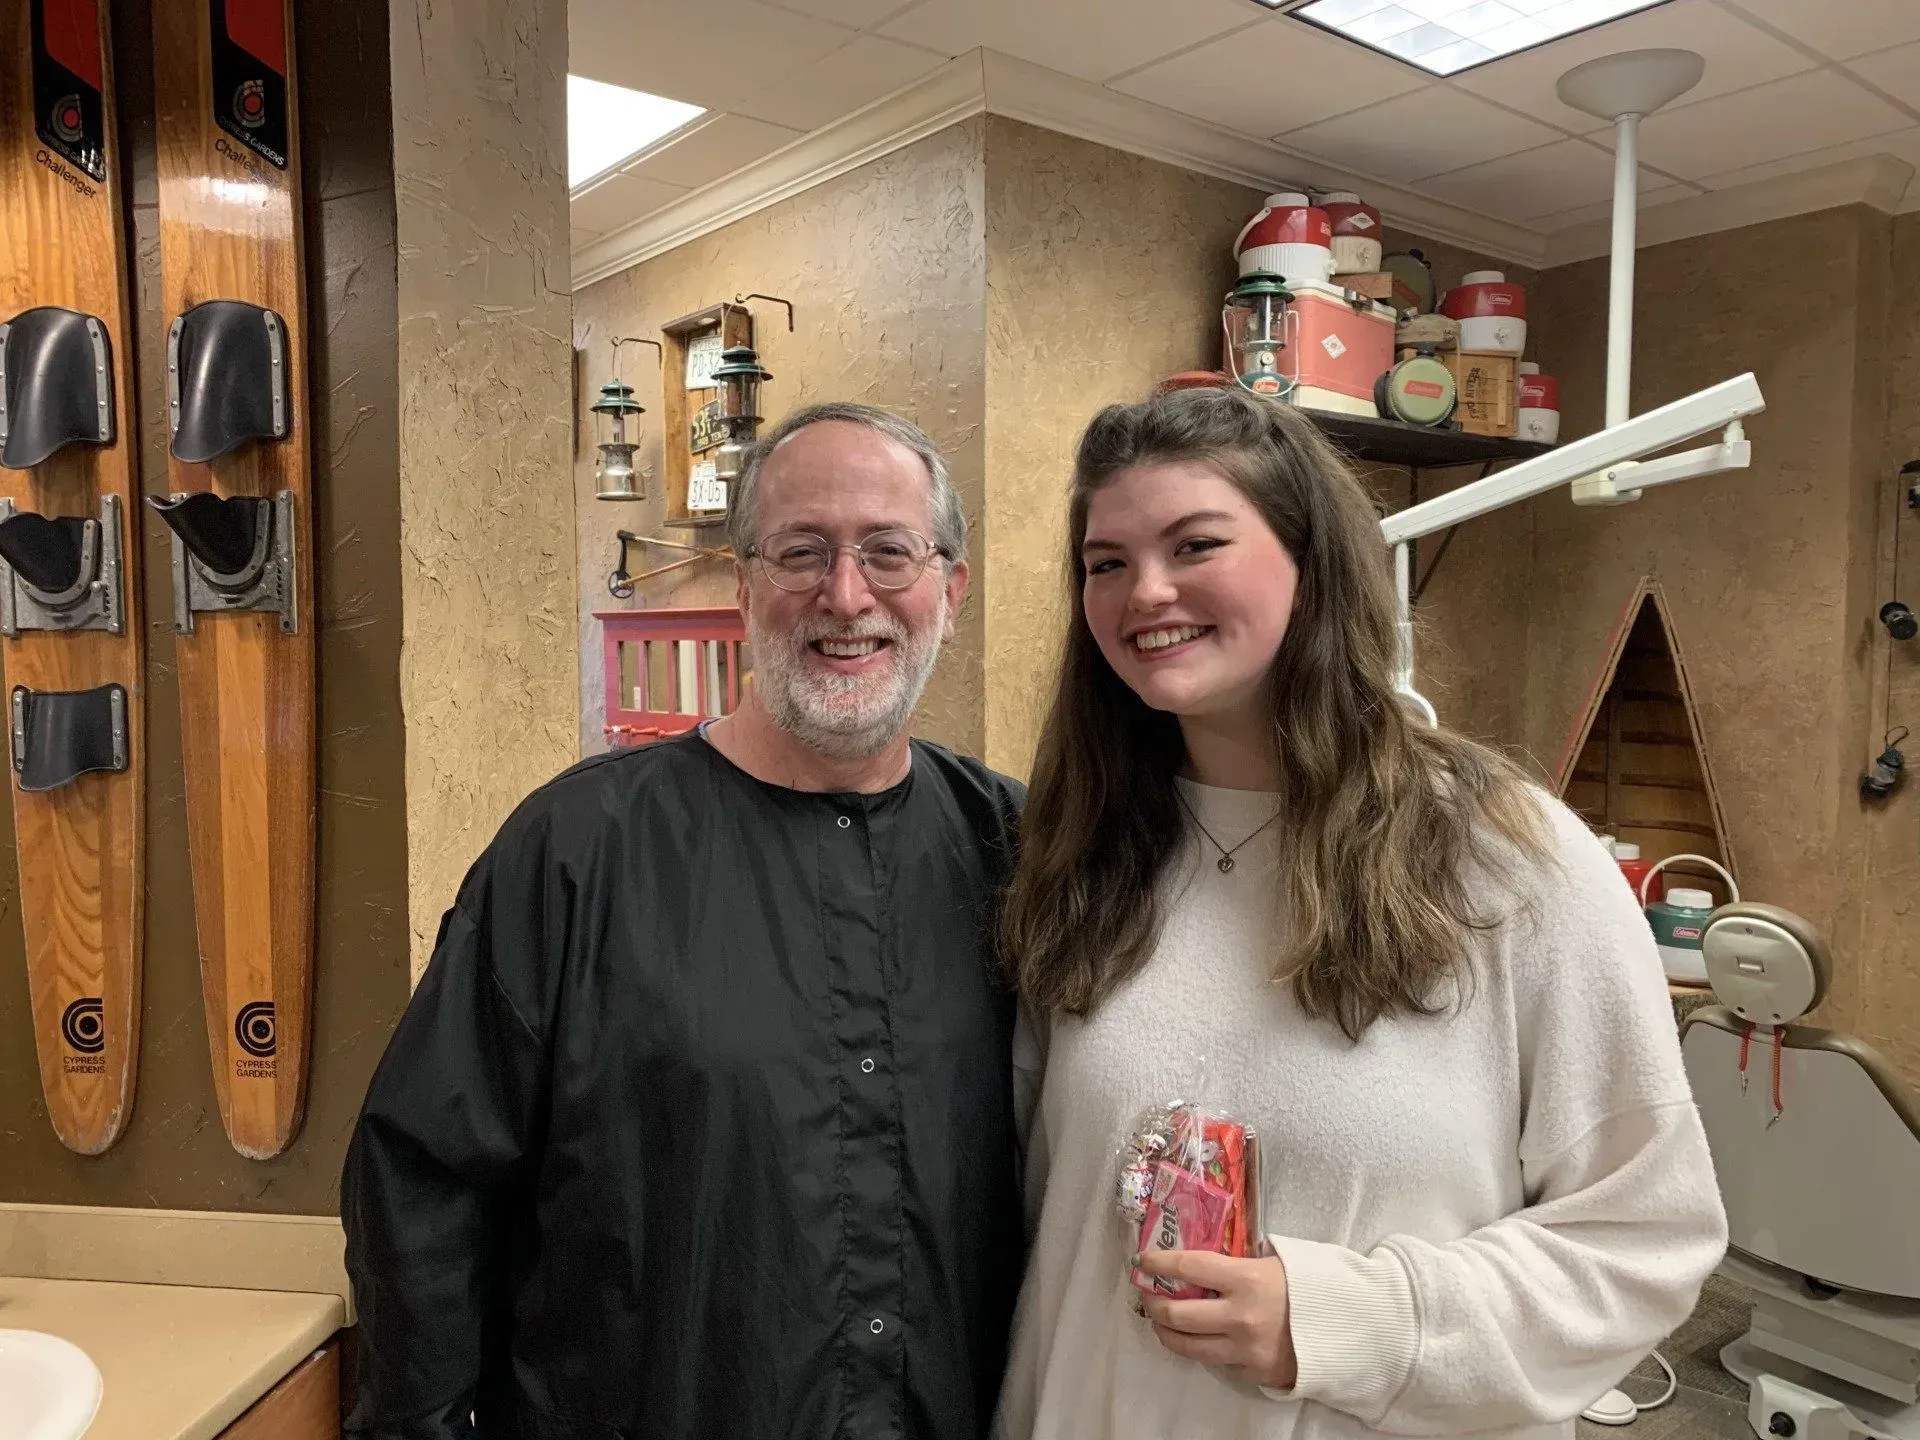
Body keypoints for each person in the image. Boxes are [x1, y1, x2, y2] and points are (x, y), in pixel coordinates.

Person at [995, 385, 1727, 1440]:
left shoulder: (1508, 861)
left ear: (1311, 563)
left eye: (1195, 544)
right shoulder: (1082, 857)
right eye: (1105, 562)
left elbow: (1645, 1240)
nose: (1144, 591)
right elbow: (1045, 1232)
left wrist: (1351, 1321)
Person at [341, 402, 1028, 1440]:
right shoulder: (577, 850)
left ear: (951, 588)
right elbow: (423, 1194)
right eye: (802, 552)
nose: (847, 597)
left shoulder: (1014, 848)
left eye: (889, 553)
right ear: (745, 584)